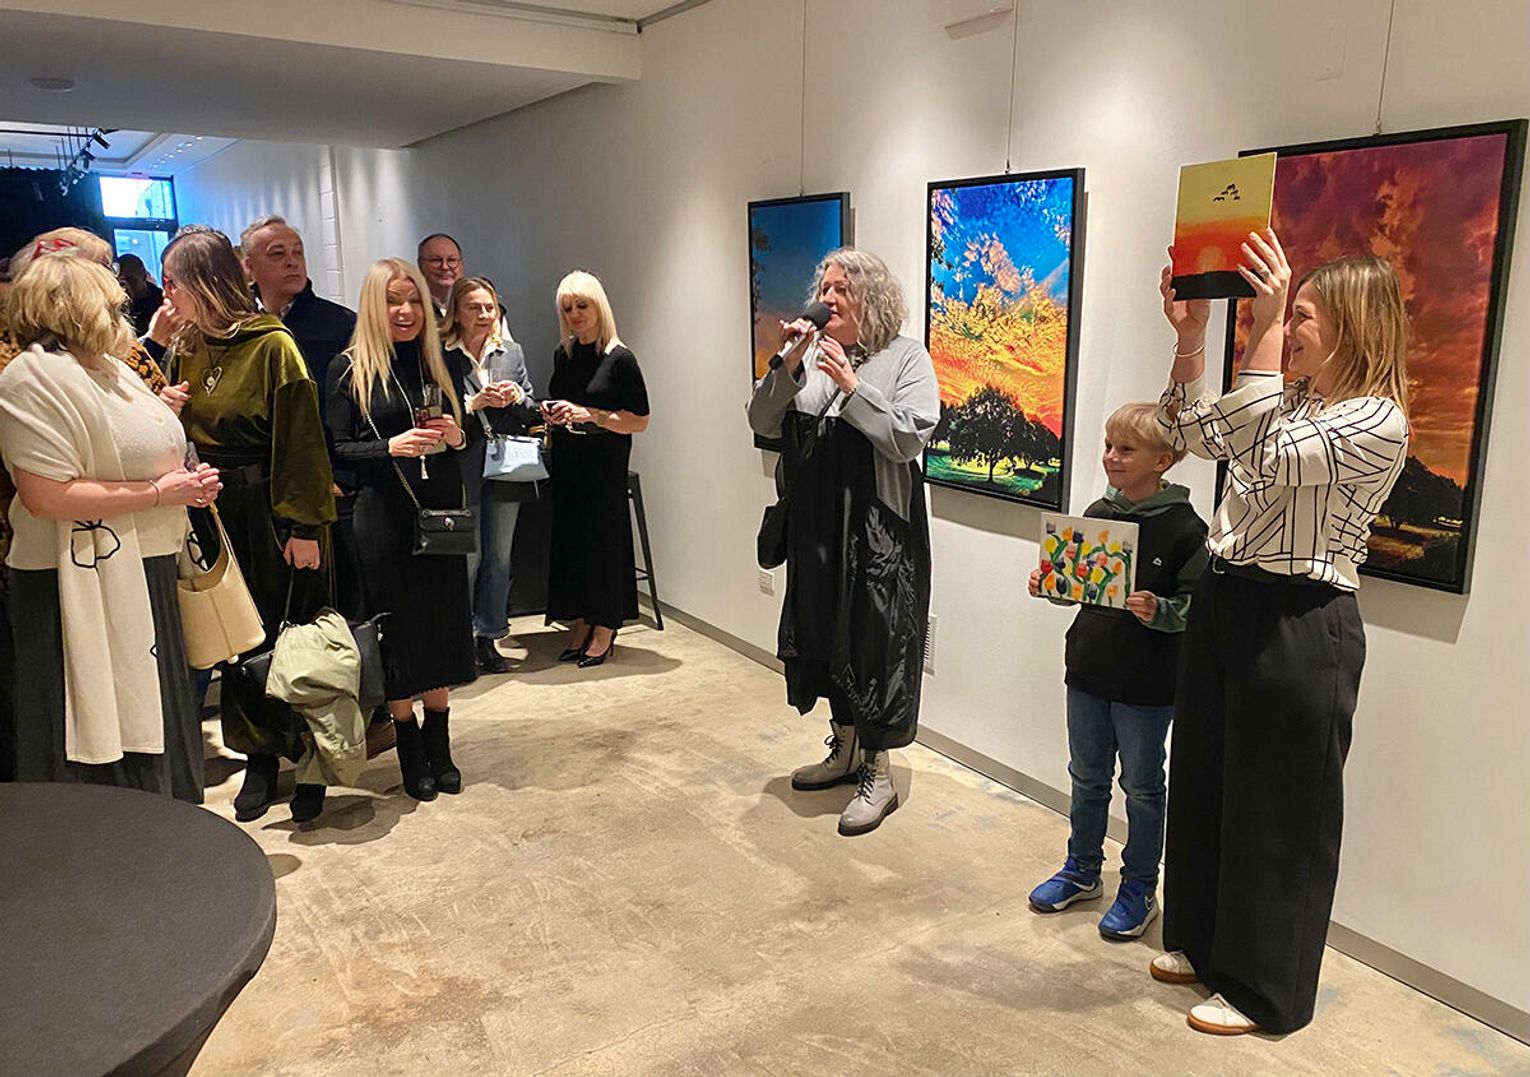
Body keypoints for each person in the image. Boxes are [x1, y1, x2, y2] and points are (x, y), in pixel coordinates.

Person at [1150, 231, 1410, 1035]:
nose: (1288, 325)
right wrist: (1193, 338)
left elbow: (1270, 455)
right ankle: (1201, 943)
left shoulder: (1379, 419)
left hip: (1302, 615)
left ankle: (1265, 989)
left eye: (1301, 314)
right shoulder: (1290, 398)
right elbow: (1188, 433)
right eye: (1287, 313)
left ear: (1353, 326)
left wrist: (1259, 330)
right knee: (1207, 776)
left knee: (1280, 807)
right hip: (1229, 596)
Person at [0, 251, 221, 799]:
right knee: (91, 726)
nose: (123, 312)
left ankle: (166, 826)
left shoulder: (113, 368)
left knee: (156, 713)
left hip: (144, 564)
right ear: (75, 308)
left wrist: (187, 483)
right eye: (111, 302)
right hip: (74, 579)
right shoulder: (30, 379)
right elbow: (45, 495)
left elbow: (149, 448)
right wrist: (158, 493)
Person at [747, 248, 938, 837]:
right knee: (822, 634)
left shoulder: (906, 358)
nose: (826, 298)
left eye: (841, 289)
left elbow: (909, 437)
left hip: (878, 527)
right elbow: (761, 421)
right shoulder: (804, 356)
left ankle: (879, 770)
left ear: (870, 298)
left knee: (876, 642)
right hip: (817, 525)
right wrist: (786, 366)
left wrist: (853, 387)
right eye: (824, 287)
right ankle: (846, 748)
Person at [161, 227, 337, 823]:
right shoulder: (185, 345)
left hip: (274, 509)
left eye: (174, 282)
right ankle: (259, 756)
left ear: (203, 282)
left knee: (296, 638)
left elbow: (302, 442)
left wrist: (304, 527)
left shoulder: (273, 345)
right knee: (236, 640)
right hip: (214, 512)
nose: (166, 293)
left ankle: (312, 760)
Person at [1024, 403, 1208, 939]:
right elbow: (1079, 586)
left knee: (1143, 789)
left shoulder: (1186, 529)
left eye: (1126, 449)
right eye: (1109, 445)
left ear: (1162, 461)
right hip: (1087, 668)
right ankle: (1081, 870)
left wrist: (1162, 610)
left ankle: (1139, 887)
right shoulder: (1097, 514)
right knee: (1086, 778)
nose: (1111, 457)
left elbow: (1199, 608)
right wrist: (1051, 586)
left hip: (1148, 684)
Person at [327, 259, 476, 801]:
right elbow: (337, 450)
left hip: (440, 515)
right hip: (384, 517)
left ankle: (441, 745)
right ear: (374, 305)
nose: (407, 311)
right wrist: (389, 446)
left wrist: (457, 435)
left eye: (413, 300)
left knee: (442, 624)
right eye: (394, 301)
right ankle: (409, 746)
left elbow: (471, 436)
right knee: (398, 631)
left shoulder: (441, 362)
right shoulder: (348, 370)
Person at [241, 215, 365, 621]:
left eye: (297, 252)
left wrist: (339, 475)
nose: (292, 261)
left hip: (329, 487)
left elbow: (358, 409)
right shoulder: (241, 328)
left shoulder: (340, 324)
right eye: (277, 254)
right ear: (249, 267)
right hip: (261, 492)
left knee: (340, 606)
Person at [542, 271, 650, 668]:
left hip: (604, 466)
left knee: (603, 545)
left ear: (599, 306)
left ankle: (605, 627)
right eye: (568, 308)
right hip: (569, 461)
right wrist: (553, 412)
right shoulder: (565, 354)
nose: (575, 314)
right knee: (573, 545)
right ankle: (582, 621)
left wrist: (593, 415)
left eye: (582, 305)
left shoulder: (620, 359)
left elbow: (640, 420)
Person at [440, 276, 540, 674]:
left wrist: (517, 396)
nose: (484, 314)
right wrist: (474, 402)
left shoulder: (510, 352)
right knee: (468, 558)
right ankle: (459, 638)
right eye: (474, 307)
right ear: (456, 313)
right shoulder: (442, 354)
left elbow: (531, 408)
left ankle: (489, 636)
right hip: (462, 464)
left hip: (505, 465)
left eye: (489, 307)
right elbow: (433, 409)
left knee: (499, 557)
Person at [116, 253, 164, 336]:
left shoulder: (161, 299)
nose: (128, 285)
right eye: (123, 281)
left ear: (143, 274)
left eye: (132, 279)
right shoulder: (119, 307)